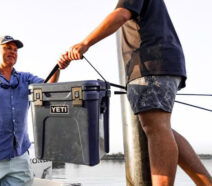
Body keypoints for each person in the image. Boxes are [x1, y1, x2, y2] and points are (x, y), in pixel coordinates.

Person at [58, 1, 212, 186]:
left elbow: (121, 14)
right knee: (160, 126)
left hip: (151, 62)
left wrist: (85, 43)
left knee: (157, 128)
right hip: (162, 62)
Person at [0, 35, 70, 186]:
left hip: (19, 157)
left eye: (15, 50)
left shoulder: (26, 78)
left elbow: (48, 87)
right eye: (8, 48)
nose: (13, 52)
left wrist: (58, 67)